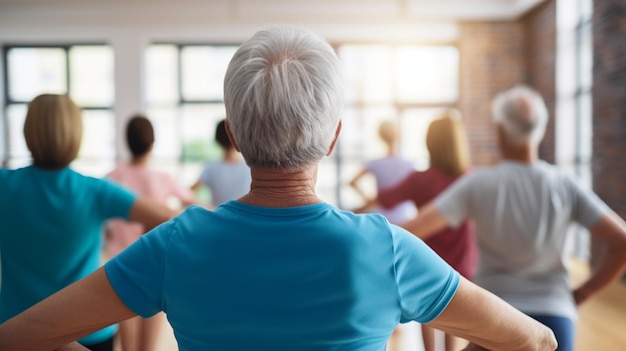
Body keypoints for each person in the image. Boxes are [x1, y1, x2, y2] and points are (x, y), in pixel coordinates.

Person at [0, 27, 557, 351]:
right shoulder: (385, 249)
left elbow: (19, 335)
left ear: (235, 135)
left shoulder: (176, 244)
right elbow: (534, 341)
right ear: (335, 136)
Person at [400, 86, 626, 351]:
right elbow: (622, 241)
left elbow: (413, 229)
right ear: (540, 130)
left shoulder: (479, 184)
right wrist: (582, 293)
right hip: (556, 316)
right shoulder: (565, 185)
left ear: (500, 131)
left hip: (496, 320)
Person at [0, 94, 177, 351]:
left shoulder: (5, 186)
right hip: (88, 332)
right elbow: (168, 219)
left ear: (28, 131)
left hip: (17, 331)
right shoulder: (94, 191)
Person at [376, 111, 477, 351]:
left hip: (427, 266)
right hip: (463, 265)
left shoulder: (419, 179)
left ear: (429, 143)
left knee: (429, 316)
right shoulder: (470, 178)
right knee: (455, 323)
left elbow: (387, 199)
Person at [104, 114, 197, 351]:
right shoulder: (163, 178)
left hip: (120, 268)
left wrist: (111, 236)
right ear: (152, 143)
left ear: (127, 142)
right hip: (153, 267)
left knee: (127, 347)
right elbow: (191, 202)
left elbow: (102, 220)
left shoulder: (113, 177)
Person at [349, 119, 416, 225]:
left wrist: (367, 199)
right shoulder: (410, 164)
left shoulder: (375, 163)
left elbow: (352, 182)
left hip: (380, 217)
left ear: (380, 136)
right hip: (404, 217)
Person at [190, 119, 251, 207]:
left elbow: (188, 194)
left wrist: (210, 209)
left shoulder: (210, 168)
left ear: (217, 140)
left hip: (217, 218)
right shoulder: (251, 168)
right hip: (244, 218)